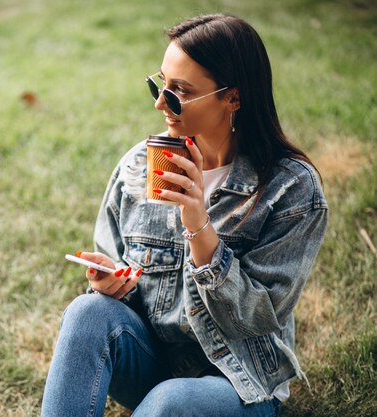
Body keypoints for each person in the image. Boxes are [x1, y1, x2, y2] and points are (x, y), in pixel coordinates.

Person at [40, 13, 328, 417]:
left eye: (179, 92)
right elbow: (119, 276)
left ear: (233, 98)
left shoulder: (290, 190)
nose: (161, 103)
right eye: (159, 85)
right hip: (152, 362)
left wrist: (199, 225)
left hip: (237, 382)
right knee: (86, 314)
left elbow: (260, 314)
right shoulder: (140, 166)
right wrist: (113, 282)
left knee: (170, 402)